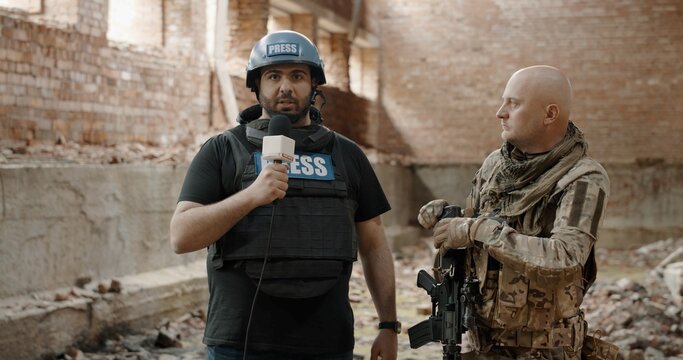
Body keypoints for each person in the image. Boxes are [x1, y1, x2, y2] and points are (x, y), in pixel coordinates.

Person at [169, 30, 398, 360]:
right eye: (273, 76)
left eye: (298, 76)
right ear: (256, 85)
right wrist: (251, 196)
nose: (285, 87)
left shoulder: (347, 155)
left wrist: (388, 326)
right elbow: (181, 237)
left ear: (314, 84)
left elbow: (374, 241)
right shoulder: (223, 150)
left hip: (327, 343)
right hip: (240, 344)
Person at [418, 66, 620, 359]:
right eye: (503, 102)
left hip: (544, 349)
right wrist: (449, 219)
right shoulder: (495, 167)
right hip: (482, 342)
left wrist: (475, 229)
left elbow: (566, 257)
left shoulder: (582, 177)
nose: (500, 112)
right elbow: (478, 233)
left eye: (513, 103)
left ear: (549, 114)